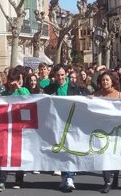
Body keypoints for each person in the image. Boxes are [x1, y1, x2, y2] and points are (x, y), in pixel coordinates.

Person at [43, 64, 87, 192]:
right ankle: (65, 176)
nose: (60, 77)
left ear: (66, 74)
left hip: (72, 123)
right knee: (62, 151)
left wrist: (88, 98)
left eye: (62, 75)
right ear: (54, 76)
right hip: (57, 124)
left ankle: (70, 177)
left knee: (70, 150)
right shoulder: (50, 88)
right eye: (58, 75)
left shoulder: (75, 87)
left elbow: (84, 99)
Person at [0, 69, 29, 192]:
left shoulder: (23, 91)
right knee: (4, 154)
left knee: (18, 154)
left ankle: (18, 179)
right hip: (6, 127)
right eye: (10, 82)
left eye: (14, 82)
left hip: (19, 127)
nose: (12, 84)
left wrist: (19, 88)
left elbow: (28, 99)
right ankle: (2, 180)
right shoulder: (5, 94)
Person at [92, 70, 121, 193]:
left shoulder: (119, 95)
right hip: (102, 131)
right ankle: (107, 181)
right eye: (103, 80)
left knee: (115, 156)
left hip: (115, 130)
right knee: (104, 155)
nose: (105, 82)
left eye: (107, 80)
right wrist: (90, 99)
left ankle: (115, 176)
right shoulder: (97, 95)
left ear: (112, 82)